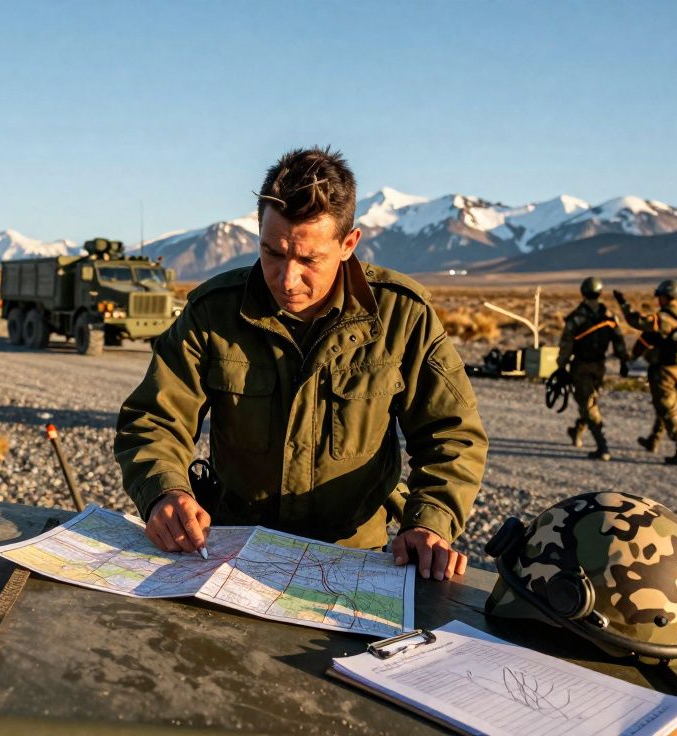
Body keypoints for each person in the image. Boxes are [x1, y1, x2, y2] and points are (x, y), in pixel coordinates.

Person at [114, 147, 489, 581]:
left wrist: (429, 522)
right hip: (230, 551)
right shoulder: (213, 313)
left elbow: (453, 433)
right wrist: (165, 491)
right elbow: (155, 418)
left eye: (309, 260)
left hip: (353, 559)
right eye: (272, 252)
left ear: (348, 244)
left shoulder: (401, 316)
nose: (287, 279)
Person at [613, 280, 677, 466]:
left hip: (665, 372)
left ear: (666, 297)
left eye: (660, 296)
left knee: (668, 410)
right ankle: (653, 439)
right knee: (665, 405)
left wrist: (623, 303)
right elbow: (647, 339)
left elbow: (635, 321)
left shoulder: (663, 319)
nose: (658, 300)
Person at [555, 276, 629, 461]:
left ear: (583, 292)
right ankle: (576, 430)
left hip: (582, 366)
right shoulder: (610, 316)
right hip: (600, 367)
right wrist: (623, 360)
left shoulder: (576, 317)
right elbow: (619, 340)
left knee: (587, 403)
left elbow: (566, 344)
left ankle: (602, 446)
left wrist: (561, 366)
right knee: (588, 400)